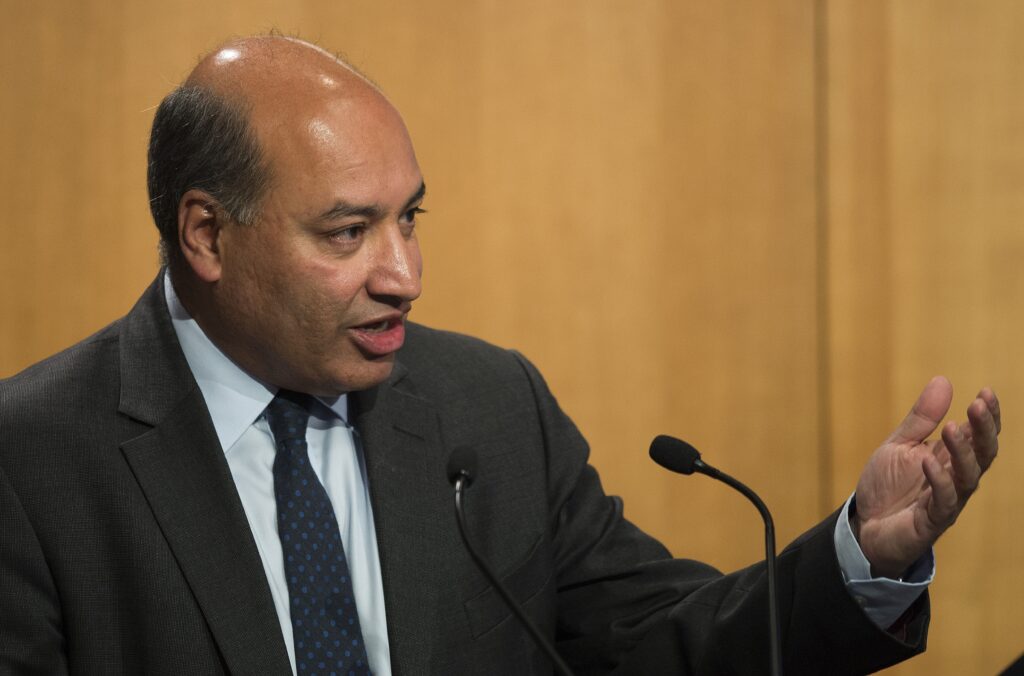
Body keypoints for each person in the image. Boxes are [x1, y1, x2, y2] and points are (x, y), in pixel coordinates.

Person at [0, 36, 1001, 675]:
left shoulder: (487, 405)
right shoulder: (33, 461)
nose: (405, 274)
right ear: (208, 235)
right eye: (347, 232)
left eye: (409, 217)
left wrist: (862, 556)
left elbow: (658, 644)